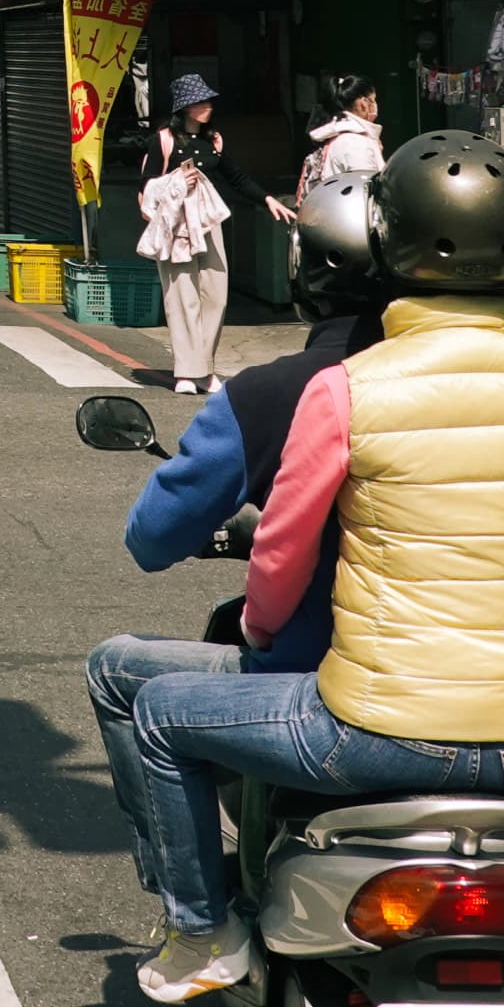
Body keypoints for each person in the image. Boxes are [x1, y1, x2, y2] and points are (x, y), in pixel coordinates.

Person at [117, 134, 504, 1002]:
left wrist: (265, 633)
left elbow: (279, 555)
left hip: (376, 729)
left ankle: (201, 932)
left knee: (156, 713)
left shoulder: (344, 390)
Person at [84, 171, 385, 951]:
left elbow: (159, 539)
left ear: (305, 272)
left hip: (335, 691)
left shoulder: (289, 392)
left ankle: (197, 915)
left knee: (122, 675)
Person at [138, 76, 245, 396]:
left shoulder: (214, 140)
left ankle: (204, 368)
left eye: (209, 101)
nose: (207, 106)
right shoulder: (164, 140)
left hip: (209, 225)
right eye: (200, 102)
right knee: (182, 298)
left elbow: (235, 176)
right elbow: (145, 184)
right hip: (177, 227)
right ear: (184, 107)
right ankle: (188, 372)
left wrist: (267, 200)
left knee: (216, 296)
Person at [297, 73, 388, 193]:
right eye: (374, 99)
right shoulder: (356, 143)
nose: (376, 105)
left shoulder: (334, 134)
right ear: (364, 103)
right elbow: (366, 189)